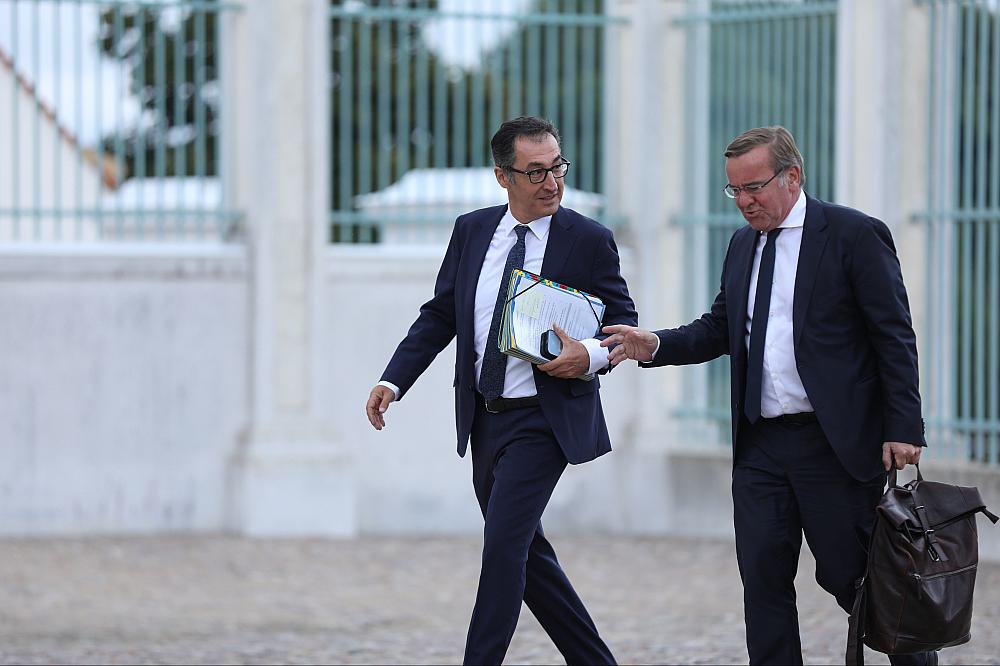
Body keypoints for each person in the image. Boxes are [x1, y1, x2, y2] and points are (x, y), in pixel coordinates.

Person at [601, 126, 935, 666]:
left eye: (754, 187)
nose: (744, 202)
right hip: (760, 448)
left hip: (834, 445)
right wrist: (654, 344)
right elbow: (720, 327)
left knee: (859, 583)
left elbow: (893, 336)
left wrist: (903, 426)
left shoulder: (852, 235)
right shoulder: (742, 245)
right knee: (763, 586)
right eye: (734, 190)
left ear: (792, 177)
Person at [365, 116, 636, 665]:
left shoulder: (588, 240)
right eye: (535, 172)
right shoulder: (472, 231)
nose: (551, 183)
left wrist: (588, 357)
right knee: (528, 557)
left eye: (557, 167)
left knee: (503, 549)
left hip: (545, 421)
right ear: (502, 176)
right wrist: (393, 379)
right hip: (485, 420)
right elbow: (441, 314)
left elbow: (622, 326)